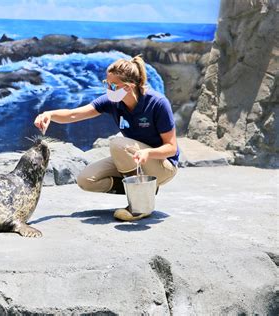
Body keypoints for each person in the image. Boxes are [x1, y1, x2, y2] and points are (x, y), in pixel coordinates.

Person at [34, 55, 179, 221]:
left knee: (118, 144)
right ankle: (145, 188)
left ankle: (139, 206)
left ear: (129, 86)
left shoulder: (157, 103)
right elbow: (74, 115)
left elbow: (171, 147)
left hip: (162, 165)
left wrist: (149, 154)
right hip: (135, 161)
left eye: (113, 85)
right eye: (106, 83)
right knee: (86, 180)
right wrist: (49, 115)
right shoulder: (113, 101)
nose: (108, 88)